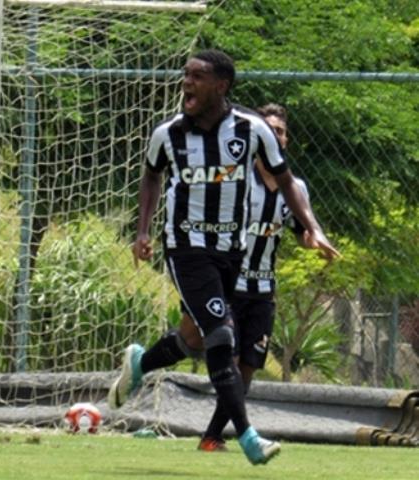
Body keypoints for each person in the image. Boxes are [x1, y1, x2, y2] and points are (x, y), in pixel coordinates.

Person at [109, 50, 340, 465]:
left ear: (221, 85)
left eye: (197, 76)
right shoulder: (168, 134)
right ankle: (247, 437)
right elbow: (151, 175)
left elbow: (287, 181)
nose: (187, 83)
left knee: (197, 337)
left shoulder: (251, 130)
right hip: (185, 247)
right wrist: (143, 229)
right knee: (219, 335)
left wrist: (312, 227)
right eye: (185, 75)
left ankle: (141, 363)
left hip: (230, 253)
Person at [197, 103, 317, 452]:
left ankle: (211, 436)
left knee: (249, 368)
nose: (275, 136)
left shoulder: (296, 188)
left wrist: (310, 241)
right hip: (229, 284)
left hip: (263, 289)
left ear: (286, 140)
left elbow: (300, 231)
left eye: (280, 131)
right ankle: (224, 435)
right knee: (228, 361)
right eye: (269, 130)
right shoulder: (236, 178)